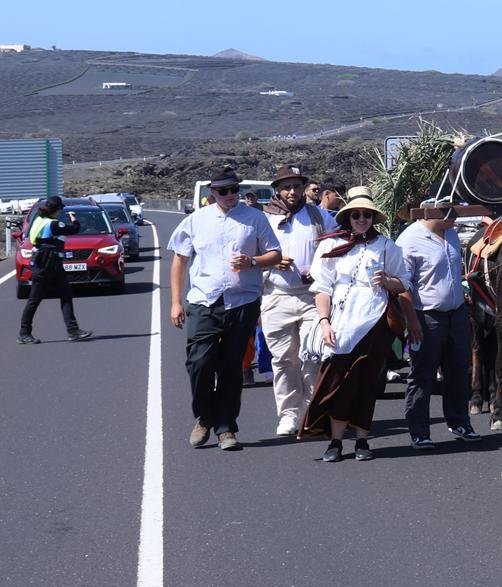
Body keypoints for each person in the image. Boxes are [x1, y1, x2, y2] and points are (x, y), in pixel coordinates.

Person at [169, 169, 283, 451]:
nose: (230, 195)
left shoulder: (255, 218)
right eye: (224, 191)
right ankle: (205, 416)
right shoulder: (195, 220)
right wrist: (175, 302)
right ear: (213, 193)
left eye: (234, 189)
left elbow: (275, 254)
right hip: (204, 300)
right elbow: (180, 261)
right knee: (200, 362)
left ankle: (226, 428)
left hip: (241, 301)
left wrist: (253, 262)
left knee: (232, 367)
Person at [309, 187, 421, 463]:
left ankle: (362, 439)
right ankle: (335, 441)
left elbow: (404, 282)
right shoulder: (330, 245)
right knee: (339, 383)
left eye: (367, 215)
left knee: (367, 383)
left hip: (375, 321)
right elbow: (322, 288)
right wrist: (324, 322)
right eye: (357, 215)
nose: (362, 219)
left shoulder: (386, 246)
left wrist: (386, 281)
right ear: (348, 217)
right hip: (342, 322)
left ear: (373, 218)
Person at [396, 197, 478, 447]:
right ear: (431, 210)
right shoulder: (409, 241)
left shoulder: (451, 233)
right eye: (449, 210)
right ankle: (419, 431)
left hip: (457, 313)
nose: (456, 215)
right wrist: (412, 321)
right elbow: (402, 285)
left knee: (458, 371)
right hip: (427, 316)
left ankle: (459, 421)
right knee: (423, 374)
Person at [260, 164, 325, 437]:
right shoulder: (263, 219)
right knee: (284, 360)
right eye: (286, 187)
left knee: (312, 356)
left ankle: (313, 413)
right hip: (276, 298)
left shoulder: (317, 216)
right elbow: (250, 256)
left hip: (311, 297)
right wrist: (273, 264)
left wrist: (318, 268)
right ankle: (288, 415)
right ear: (277, 189)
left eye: (297, 186)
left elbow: (332, 247)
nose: (292, 191)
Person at [19, 195, 94, 344]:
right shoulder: (53, 224)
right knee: (36, 299)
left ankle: (73, 331)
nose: (61, 212)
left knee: (63, 295)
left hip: (44, 263)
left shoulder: (38, 220)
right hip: (48, 265)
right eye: (60, 209)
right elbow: (74, 229)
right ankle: (24, 333)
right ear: (57, 209)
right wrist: (74, 218)